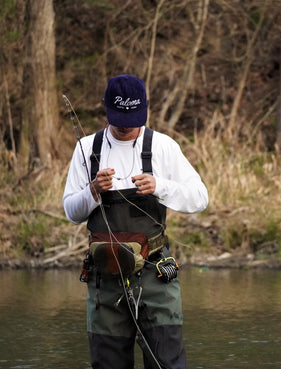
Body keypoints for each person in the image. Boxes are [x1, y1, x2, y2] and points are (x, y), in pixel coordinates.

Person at [62, 74, 208, 369]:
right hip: (104, 281)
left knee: (167, 362)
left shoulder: (164, 147)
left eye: (133, 118)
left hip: (156, 276)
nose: (127, 126)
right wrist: (92, 191)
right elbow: (71, 211)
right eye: (120, 119)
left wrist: (160, 186)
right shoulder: (87, 149)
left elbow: (199, 197)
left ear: (145, 109)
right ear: (105, 109)